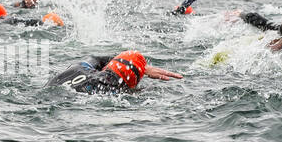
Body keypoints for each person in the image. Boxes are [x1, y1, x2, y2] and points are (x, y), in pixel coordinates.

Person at [50, 50, 183, 93]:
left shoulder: (78, 68)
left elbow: (95, 58)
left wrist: (141, 68)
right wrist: (139, 70)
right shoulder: (120, 92)